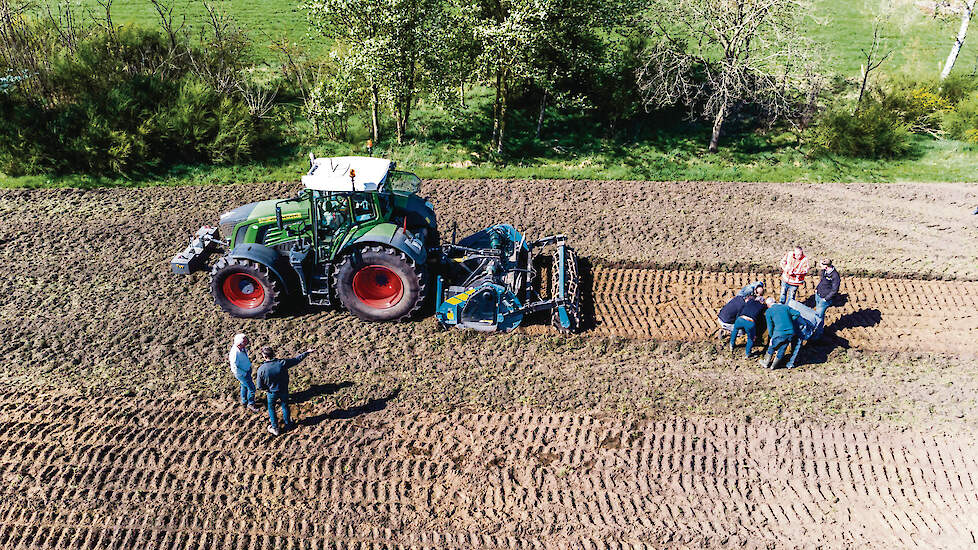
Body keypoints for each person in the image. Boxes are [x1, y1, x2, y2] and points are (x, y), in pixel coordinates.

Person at [256, 346, 315, 436]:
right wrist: (307, 352)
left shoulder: (261, 369)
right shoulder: (282, 363)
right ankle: (288, 424)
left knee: (271, 408)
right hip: (283, 390)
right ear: (273, 354)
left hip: (271, 392)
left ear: (264, 356)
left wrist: (267, 389)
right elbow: (296, 360)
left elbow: (260, 386)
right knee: (285, 406)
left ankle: (275, 428)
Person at [760, 300, 802, 369]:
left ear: (768, 305)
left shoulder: (769, 311)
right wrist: (790, 320)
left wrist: (771, 336)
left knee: (772, 346)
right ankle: (773, 366)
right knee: (782, 348)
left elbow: (770, 326)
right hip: (790, 332)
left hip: (779, 332)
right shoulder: (786, 307)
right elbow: (797, 313)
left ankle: (765, 363)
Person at [228, 334, 259, 412]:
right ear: (239, 344)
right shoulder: (234, 353)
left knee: (244, 386)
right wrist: (244, 374)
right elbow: (234, 368)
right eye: (244, 344)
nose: (245, 345)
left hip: (246, 370)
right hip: (242, 374)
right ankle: (250, 403)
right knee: (252, 388)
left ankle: (244, 401)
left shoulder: (241, 348)